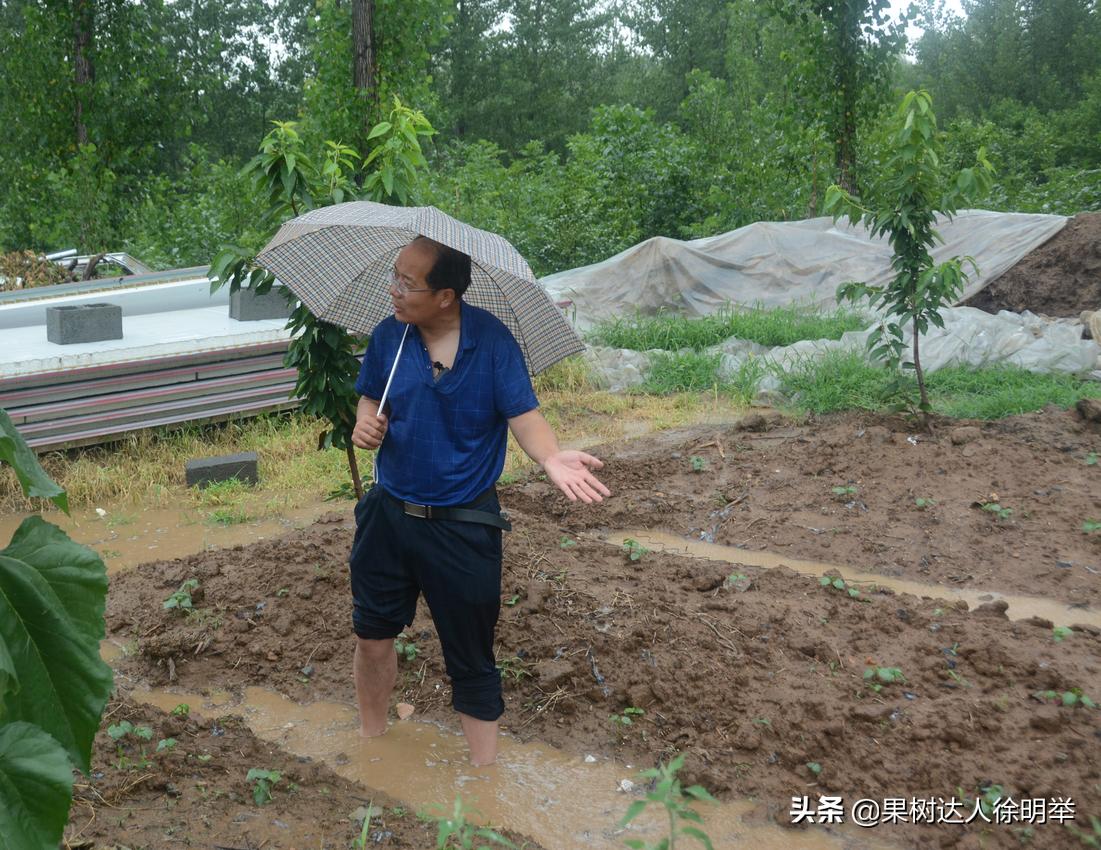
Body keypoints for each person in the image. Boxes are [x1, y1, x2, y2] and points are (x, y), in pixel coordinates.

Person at [348, 235, 610, 766]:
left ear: (445, 295)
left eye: (407, 282)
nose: (393, 290)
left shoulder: (492, 343)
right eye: (394, 276)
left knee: (470, 655)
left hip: (462, 525)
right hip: (388, 515)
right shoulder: (389, 338)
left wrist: (551, 458)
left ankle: (485, 779)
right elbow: (371, 392)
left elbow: (523, 414)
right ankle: (371, 744)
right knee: (372, 636)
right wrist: (363, 418)